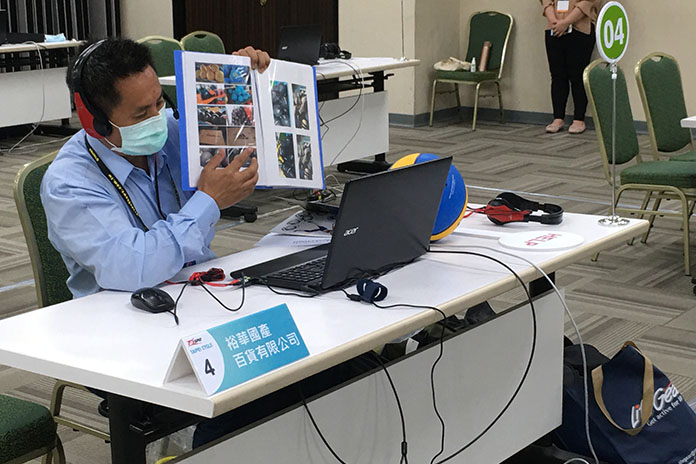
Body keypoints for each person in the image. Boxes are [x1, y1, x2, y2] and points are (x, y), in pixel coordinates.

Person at [41, 38, 268, 298]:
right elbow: (134, 268)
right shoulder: (69, 183)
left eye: (159, 103)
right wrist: (208, 201)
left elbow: (249, 140)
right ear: (95, 122)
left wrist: (247, 79)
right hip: (122, 308)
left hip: (199, 289)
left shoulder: (175, 130)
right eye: (141, 114)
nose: (156, 119)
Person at [541, 0, 600, 134]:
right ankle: (558, 118)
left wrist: (566, 22)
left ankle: (579, 119)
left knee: (578, 76)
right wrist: (554, 21)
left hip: (580, 28)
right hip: (554, 29)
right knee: (557, 76)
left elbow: (588, 2)